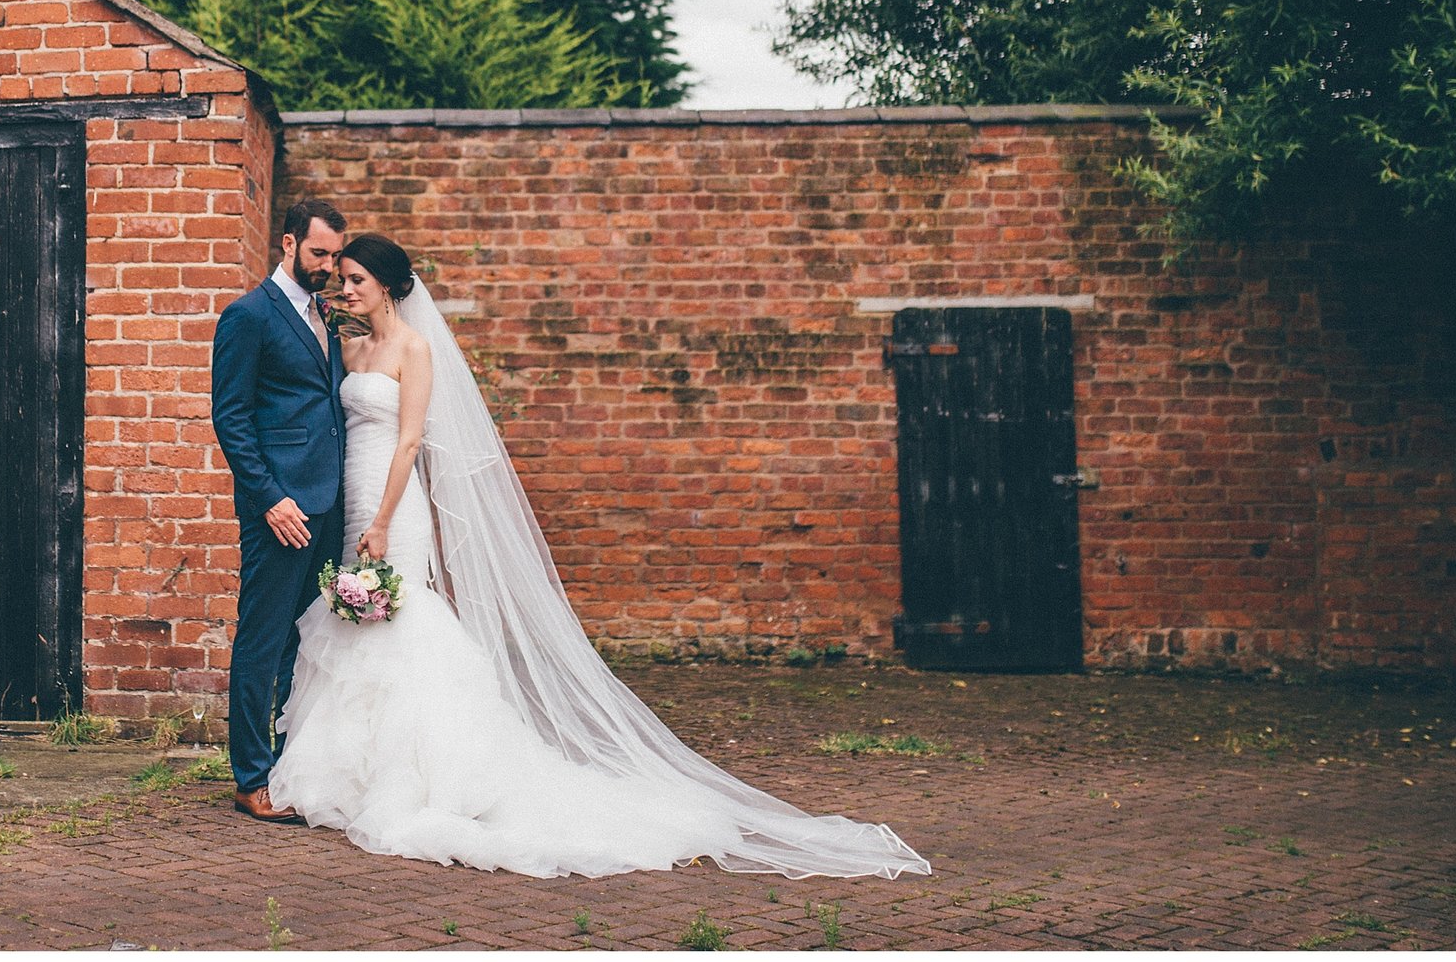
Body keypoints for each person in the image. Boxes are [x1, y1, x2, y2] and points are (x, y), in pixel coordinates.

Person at [264, 231, 932, 881]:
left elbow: (411, 442)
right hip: (353, 494)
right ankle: (355, 770)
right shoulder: (351, 347)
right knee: (358, 624)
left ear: (389, 286)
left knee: (404, 619)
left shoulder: (414, 348)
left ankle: (423, 775)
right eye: (342, 279)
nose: (345, 289)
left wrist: (383, 521)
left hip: (393, 507)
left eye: (357, 280)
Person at [207, 197, 348, 823]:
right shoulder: (249, 316)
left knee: (307, 642)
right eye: (319, 253)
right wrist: (269, 499)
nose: (329, 266)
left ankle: (291, 768)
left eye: (335, 256)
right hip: (281, 510)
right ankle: (250, 778)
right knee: (263, 641)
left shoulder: (325, 315)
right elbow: (231, 418)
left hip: (329, 503)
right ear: (288, 243)